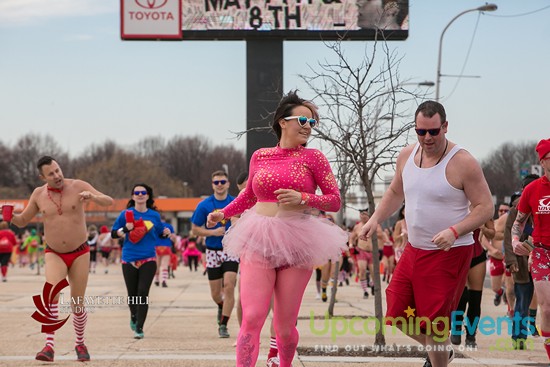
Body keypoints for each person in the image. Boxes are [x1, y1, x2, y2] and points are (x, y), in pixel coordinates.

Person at [207, 90, 348, 367]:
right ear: (283, 122)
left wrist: (304, 198)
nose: (308, 127)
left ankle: (284, 363)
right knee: (252, 318)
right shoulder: (260, 156)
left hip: (298, 242)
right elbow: (248, 197)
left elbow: (334, 201)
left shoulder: (315, 158)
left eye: (312, 123)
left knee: (284, 328)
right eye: (302, 120)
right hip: (259, 237)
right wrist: (222, 213)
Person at [359, 101, 493, 367]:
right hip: (414, 249)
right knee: (397, 313)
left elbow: (485, 207)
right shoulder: (407, 156)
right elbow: (395, 192)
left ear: (445, 126)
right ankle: (443, 352)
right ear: (415, 129)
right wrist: (375, 219)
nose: (428, 138)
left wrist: (455, 230)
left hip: (449, 252)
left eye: (433, 131)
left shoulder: (463, 162)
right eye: (421, 132)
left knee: (434, 326)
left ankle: (438, 360)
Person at [5, 155, 113, 362]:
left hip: (80, 251)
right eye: (51, 173)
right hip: (54, 252)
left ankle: (80, 343)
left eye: (58, 170)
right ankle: (49, 346)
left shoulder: (78, 185)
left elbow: (108, 201)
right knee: (51, 294)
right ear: (42, 177)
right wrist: (8, 216)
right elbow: (23, 221)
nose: (57, 175)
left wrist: (92, 196)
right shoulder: (38, 194)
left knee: (77, 302)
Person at [111, 183, 171, 339]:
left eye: (143, 192)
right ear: (132, 196)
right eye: (136, 192)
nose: (140, 194)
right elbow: (113, 234)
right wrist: (125, 229)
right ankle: (133, 315)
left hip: (148, 259)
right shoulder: (126, 214)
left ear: (148, 196)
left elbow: (160, 233)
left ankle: (139, 328)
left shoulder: (154, 216)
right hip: (129, 258)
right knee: (132, 295)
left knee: (143, 292)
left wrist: (166, 232)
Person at [511, 138, 550, 362]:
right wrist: (516, 240)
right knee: (546, 308)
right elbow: (518, 223)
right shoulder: (533, 190)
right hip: (541, 251)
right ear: (542, 161)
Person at [191, 170, 239, 338]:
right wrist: (212, 232)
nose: (219, 185)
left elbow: (243, 220)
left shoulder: (235, 202)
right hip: (212, 251)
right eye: (216, 182)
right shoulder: (204, 205)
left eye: (222, 182)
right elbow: (194, 229)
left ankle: (223, 325)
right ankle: (221, 305)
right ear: (212, 185)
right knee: (215, 293)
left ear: (228, 183)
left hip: (231, 249)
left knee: (230, 285)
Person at [504, 175, 539, 348]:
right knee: (522, 300)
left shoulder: (544, 204)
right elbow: (508, 237)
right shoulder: (515, 210)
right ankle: (519, 336)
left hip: (542, 259)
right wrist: (510, 260)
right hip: (522, 262)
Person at [154, 217, 175, 287]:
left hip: (156, 247)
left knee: (157, 265)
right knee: (164, 265)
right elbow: (173, 237)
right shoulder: (169, 226)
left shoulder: (155, 226)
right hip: (166, 247)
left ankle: (156, 279)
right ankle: (164, 280)